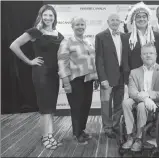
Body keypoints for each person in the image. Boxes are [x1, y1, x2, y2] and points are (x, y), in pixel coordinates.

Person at [9, 5, 64, 150]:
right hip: (41, 73)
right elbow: (14, 45)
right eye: (45, 15)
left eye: (50, 15)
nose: (48, 18)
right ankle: (46, 137)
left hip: (54, 74)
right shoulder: (35, 32)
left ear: (54, 17)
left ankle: (50, 135)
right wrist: (29, 61)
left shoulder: (59, 35)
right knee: (45, 108)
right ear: (41, 16)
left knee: (51, 108)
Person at [121, 44, 159, 152]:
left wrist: (150, 95)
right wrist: (145, 99)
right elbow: (132, 92)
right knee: (126, 102)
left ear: (156, 55)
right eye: (145, 53)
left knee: (141, 106)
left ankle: (139, 139)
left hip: (158, 102)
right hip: (140, 99)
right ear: (141, 56)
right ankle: (130, 136)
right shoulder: (134, 72)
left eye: (151, 53)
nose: (148, 56)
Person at [58, 17, 98, 143]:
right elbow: (62, 63)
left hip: (88, 79)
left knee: (86, 106)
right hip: (74, 80)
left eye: (82, 24)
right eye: (77, 25)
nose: (80, 27)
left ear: (85, 26)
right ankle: (76, 133)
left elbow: (93, 60)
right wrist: (65, 82)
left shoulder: (88, 41)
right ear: (72, 27)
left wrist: (96, 77)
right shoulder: (66, 42)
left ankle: (82, 130)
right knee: (76, 107)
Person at [95, 13, 130, 138]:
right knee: (106, 104)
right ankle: (107, 128)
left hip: (122, 76)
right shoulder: (100, 36)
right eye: (112, 20)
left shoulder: (125, 36)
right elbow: (98, 59)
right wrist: (102, 78)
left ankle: (116, 126)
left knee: (119, 104)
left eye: (117, 20)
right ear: (108, 22)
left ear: (120, 22)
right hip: (107, 77)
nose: (115, 22)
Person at [125, 2, 159, 70]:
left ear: (148, 19)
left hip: (154, 76)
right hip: (134, 76)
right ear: (134, 20)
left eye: (144, 16)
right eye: (138, 17)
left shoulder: (158, 37)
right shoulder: (127, 38)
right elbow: (125, 62)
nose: (141, 19)